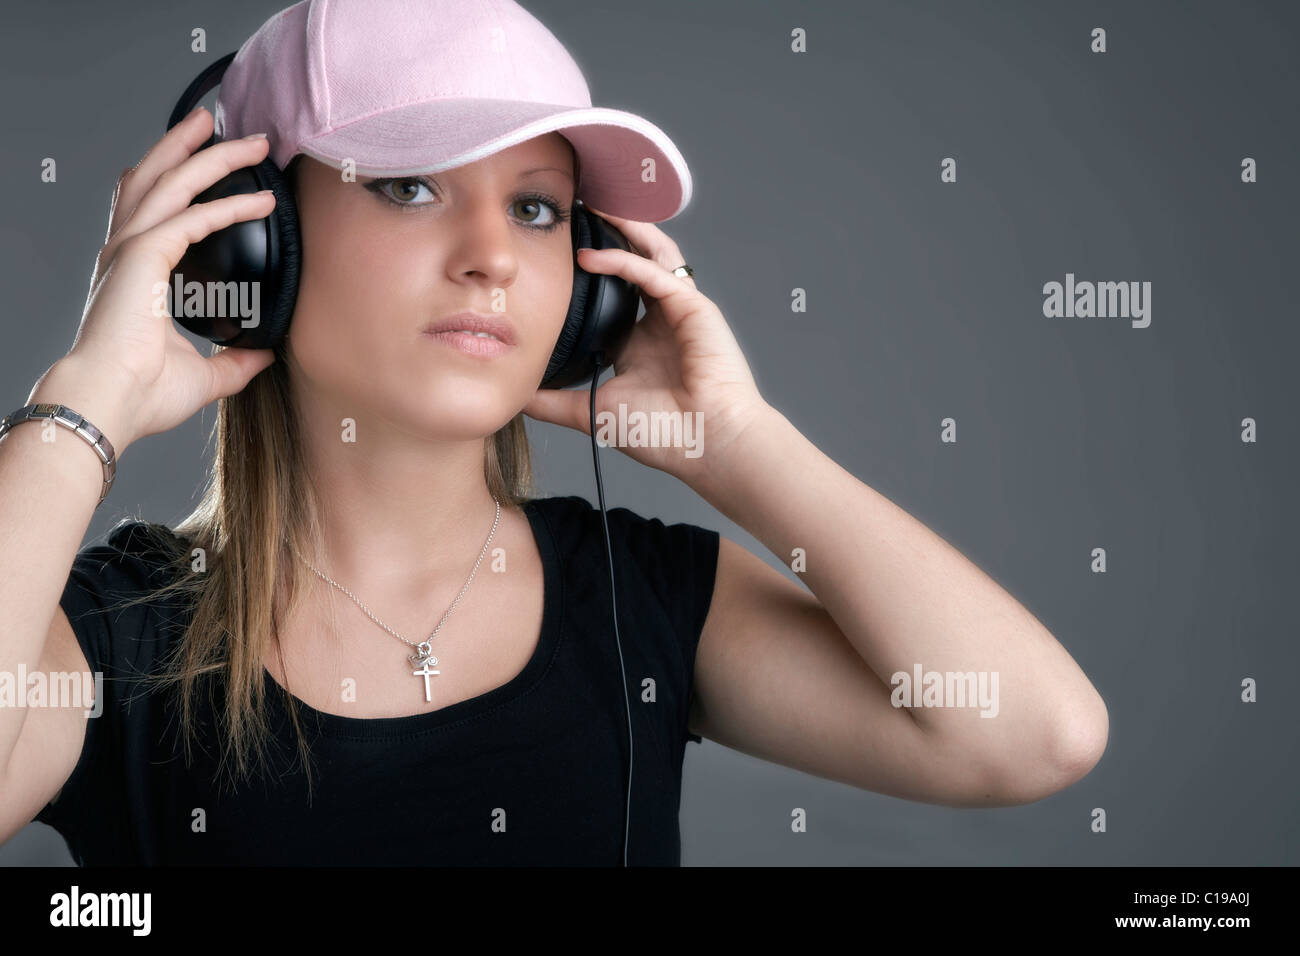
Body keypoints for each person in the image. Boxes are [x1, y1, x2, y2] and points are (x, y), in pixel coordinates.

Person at [0, 0, 1108, 866]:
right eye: (409, 186)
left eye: (535, 207)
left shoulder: (635, 600)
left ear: (585, 292)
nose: (492, 253)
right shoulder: (113, 635)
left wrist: (737, 441)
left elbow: (1034, 732)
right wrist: (83, 405)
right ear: (249, 240)